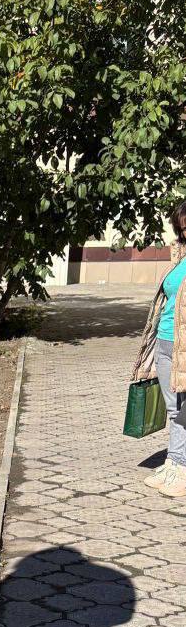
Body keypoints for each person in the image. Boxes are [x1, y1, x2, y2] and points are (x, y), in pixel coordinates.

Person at [133, 200, 186, 499]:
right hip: (166, 342)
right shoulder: (179, 259)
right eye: (183, 227)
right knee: (173, 408)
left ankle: (182, 467)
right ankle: (174, 462)